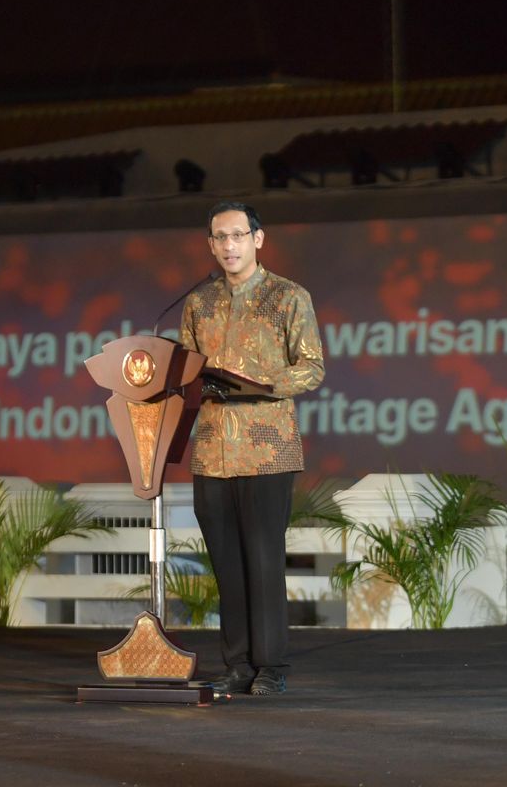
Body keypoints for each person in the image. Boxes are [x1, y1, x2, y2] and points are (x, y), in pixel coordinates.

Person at [179, 201, 325, 696]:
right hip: (213, 449)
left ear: (258, 239)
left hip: (267, 447)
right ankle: (237, 663)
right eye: (220, 237)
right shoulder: (198, 303)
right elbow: (183, 372)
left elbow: (312, 367)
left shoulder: (288, 297)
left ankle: (271, 667)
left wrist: (259, 383)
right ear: (210, 244)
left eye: (238, 235)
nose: (229, 245)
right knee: (226, 562)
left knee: (263, 559)